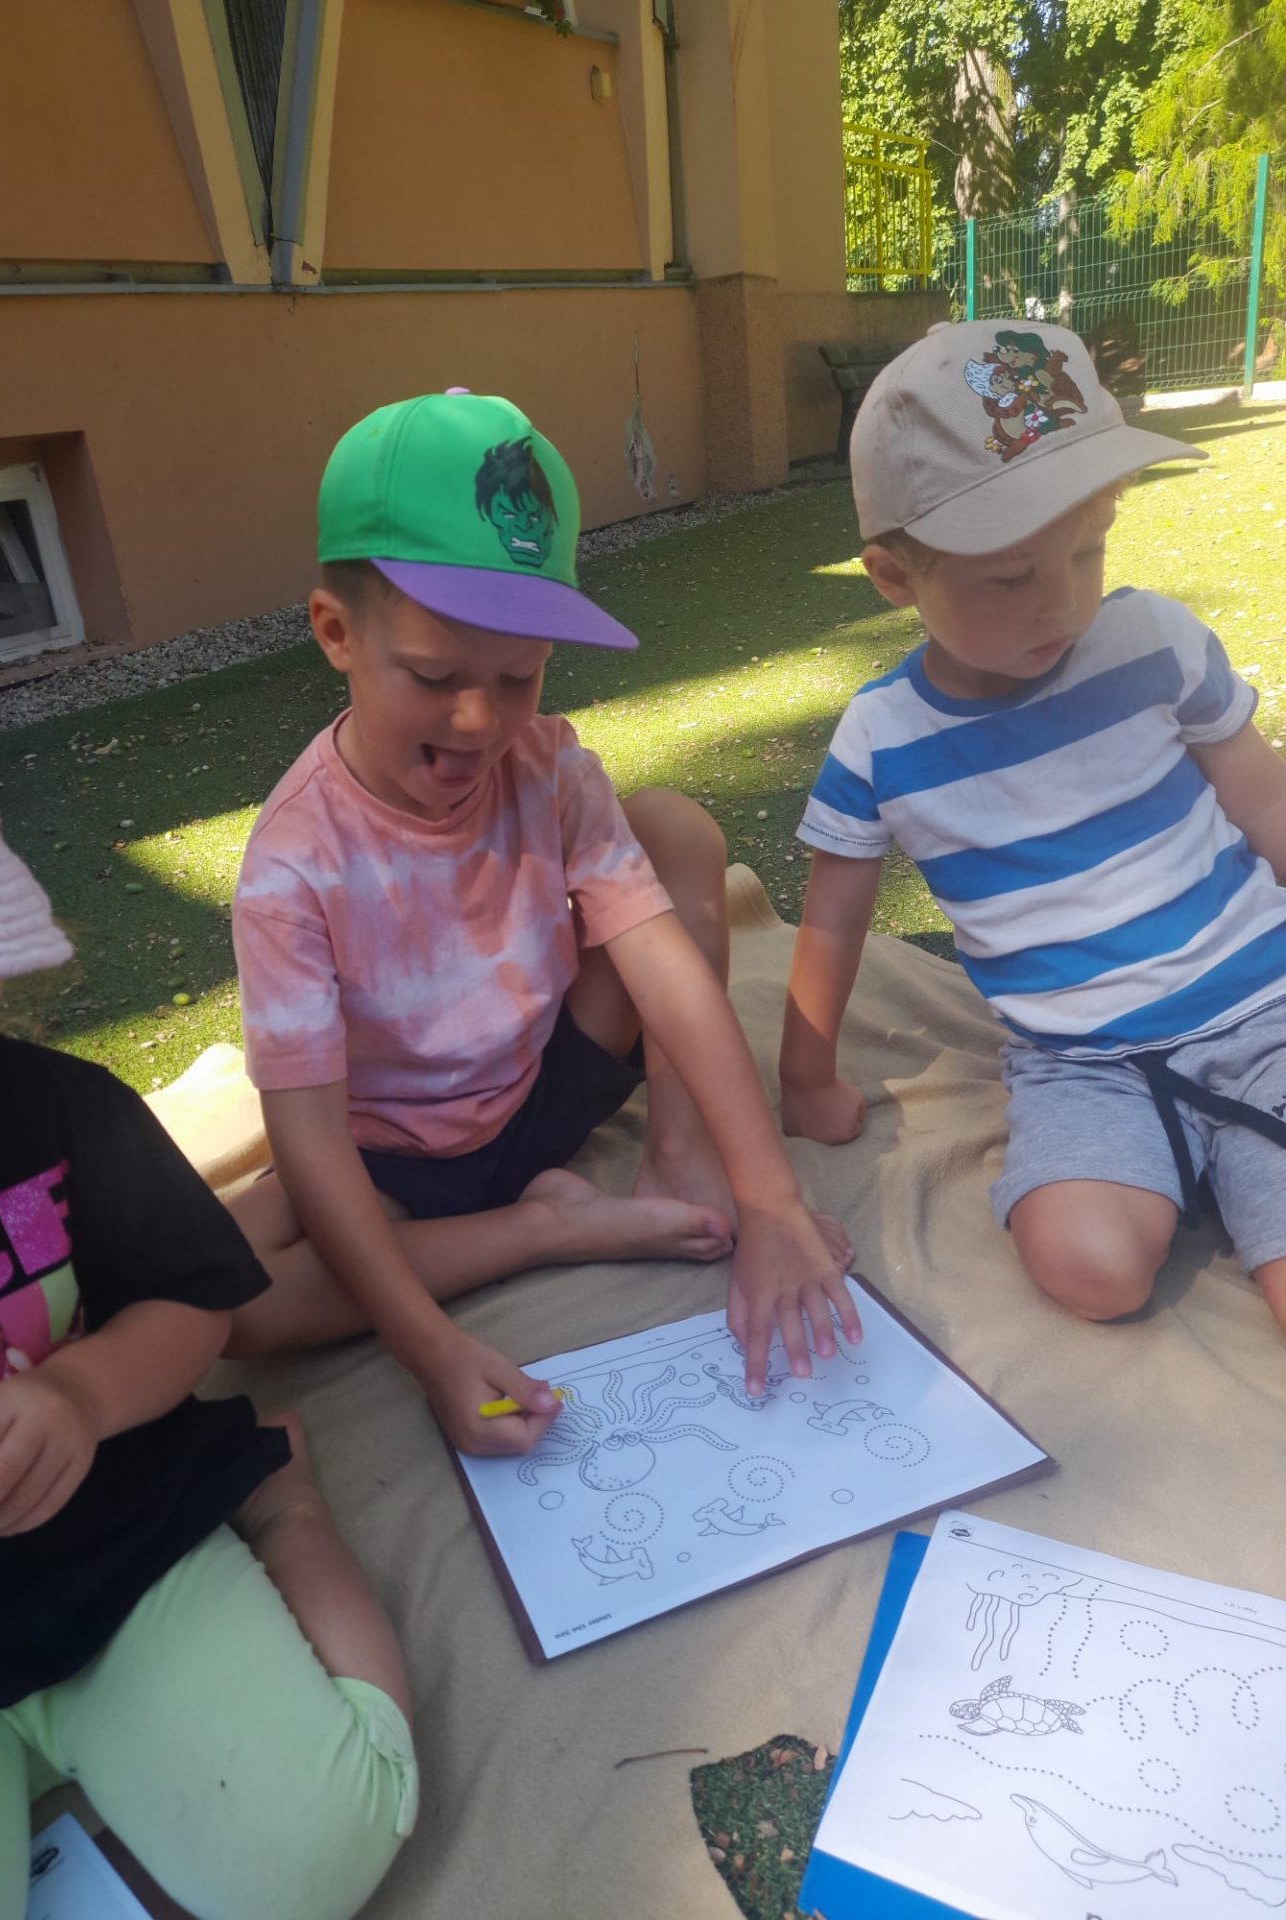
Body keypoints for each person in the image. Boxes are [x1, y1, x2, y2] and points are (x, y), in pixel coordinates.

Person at [0, 603, 416, 1920]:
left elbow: (194, 1302)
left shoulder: (47, 1113)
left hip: (115, 1552)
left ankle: (287, 1508)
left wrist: (78, 1392)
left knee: (316, 1855)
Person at [227, 390, 856, 1440]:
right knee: (226, 1299)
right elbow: (310, 1143)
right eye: (436, 676)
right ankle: (549, 1230)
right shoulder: (292, 865)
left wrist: (771, 1199)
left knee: (675, 828)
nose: (480, 720)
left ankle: (677, 1157)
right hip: (394, 1158)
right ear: (336, 633)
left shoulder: (549, 767)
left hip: (549, 1085)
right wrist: (433, 1352)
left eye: (518, 677)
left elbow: (665, 975)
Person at [781, 318, 1286, 1331]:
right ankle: (1194, 1173)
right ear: (895, 578)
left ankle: (1244, 1176)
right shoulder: (882, 740)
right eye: (1010, 578)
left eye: (1087, 550)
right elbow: (831, 925)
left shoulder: (1153, 642)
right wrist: (806, 1079)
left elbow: (1264, 799)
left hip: (1262, 1012)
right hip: (1085, 1065)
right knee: (1091, 1270)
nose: (1061, 603)